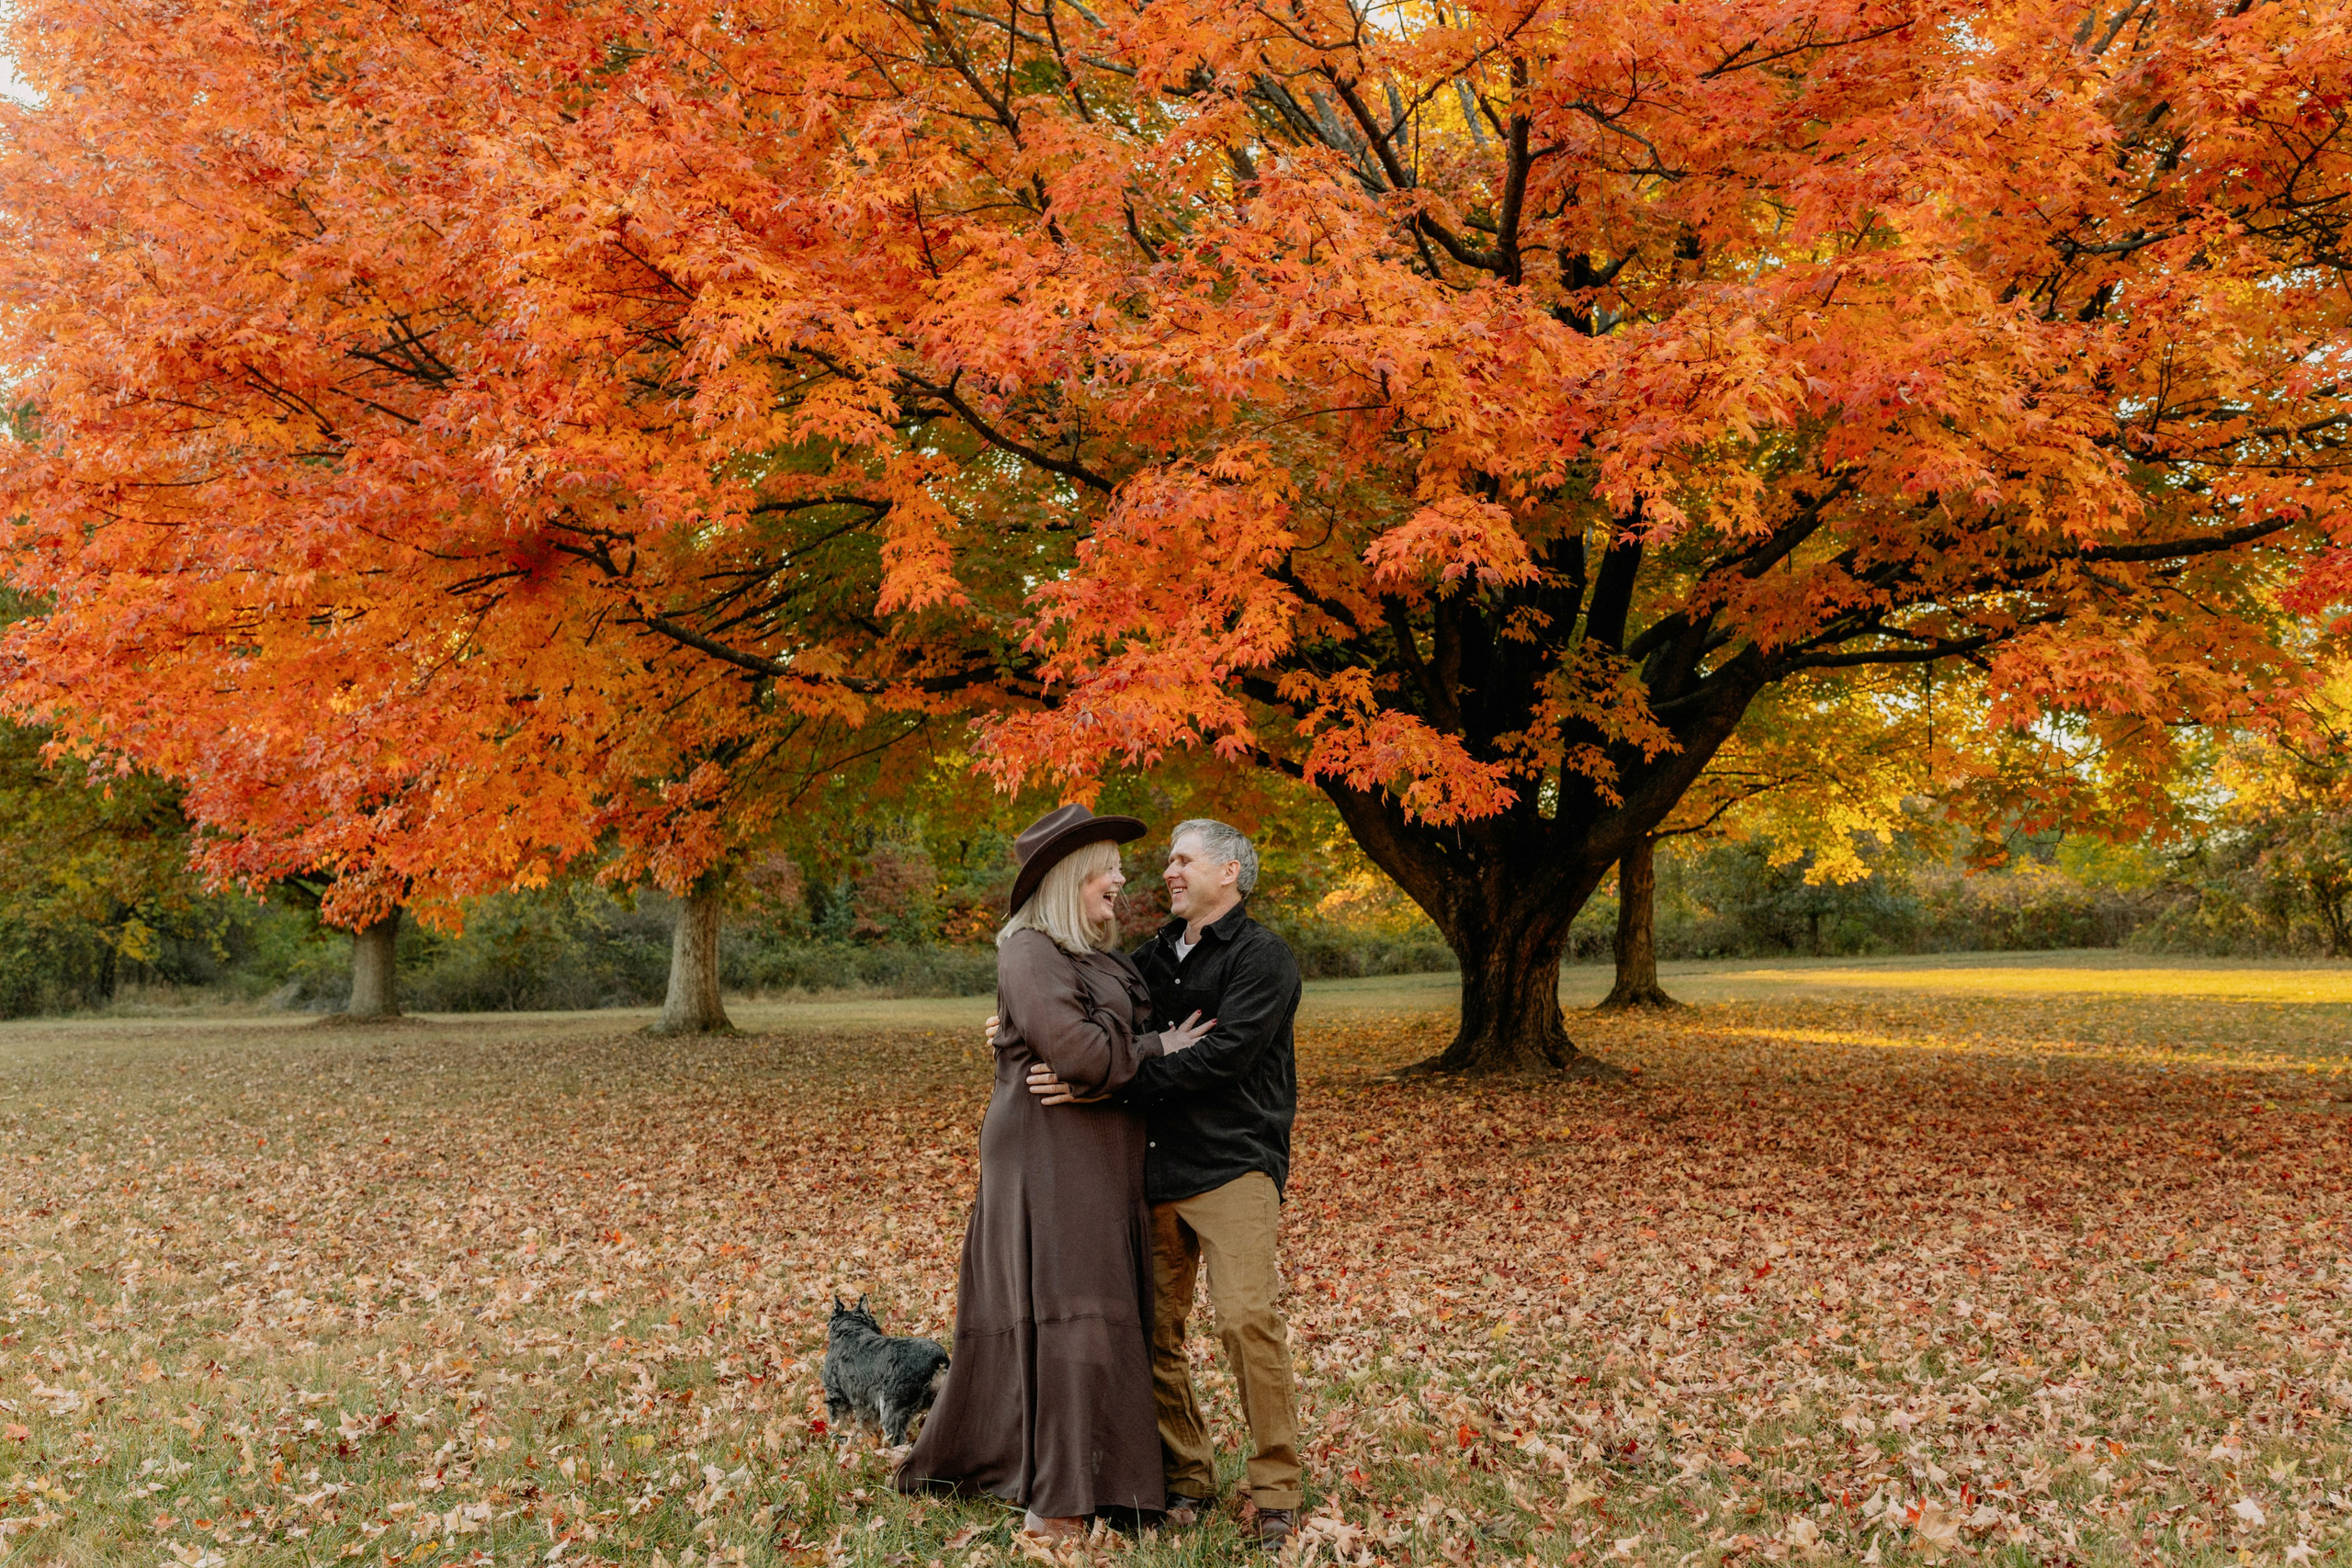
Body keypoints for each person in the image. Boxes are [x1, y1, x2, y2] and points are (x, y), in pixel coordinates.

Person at [895, 805, 1214, 1541]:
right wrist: (1153, 1048)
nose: (1122, 880)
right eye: (1109, 867)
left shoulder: (1105, 959)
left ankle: (1114, 1479)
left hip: (1105, 1158)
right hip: (1047, 1153)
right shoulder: (1027, 950)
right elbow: (1082, 1056)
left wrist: (1123, 1046)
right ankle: (1057, 1498)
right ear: (1072, 875)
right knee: (1070, 1307)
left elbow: (1102, 1045)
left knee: (1103, 1309)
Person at [1015, 819, 1306, 1553]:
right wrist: (1015, 1024)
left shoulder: (1263, 958)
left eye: (1184, 860)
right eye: (1170, 860)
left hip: (1235, 1164)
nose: (1168, 872)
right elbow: (1093, 1016)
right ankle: (1189, 1474)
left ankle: (1277, 1490)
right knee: (1152, 1332)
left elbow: (1223, 1058)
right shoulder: (1146, 959)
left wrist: (1102, 1087)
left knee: (1245, 1320)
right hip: (1152, 1170)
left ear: (1231, 872)